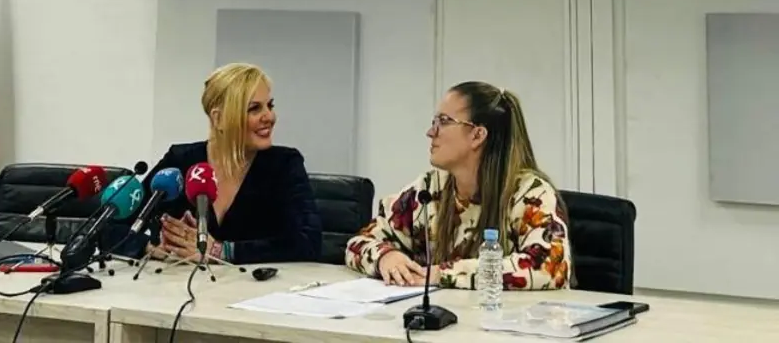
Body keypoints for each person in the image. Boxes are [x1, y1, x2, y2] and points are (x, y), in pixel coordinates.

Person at [346, 82, 571, 290]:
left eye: (444, 122)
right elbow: (358, 243)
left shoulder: (530, 193)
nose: (431, 132)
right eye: (434, 122)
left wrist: (441, 274)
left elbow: (550, 269)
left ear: (477, 135)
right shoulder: (428, 189)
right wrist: (385, 257)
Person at [136, 63, 322, 265]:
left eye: (270, 106)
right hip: (179, 282)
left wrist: (221, 251)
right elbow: (115, 226)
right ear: (219, 118)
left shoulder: (284, 165)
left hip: (254, 284)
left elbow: (308, 243)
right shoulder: (180, 160)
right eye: (254, 108)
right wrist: (150, 246)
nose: (270, 117)